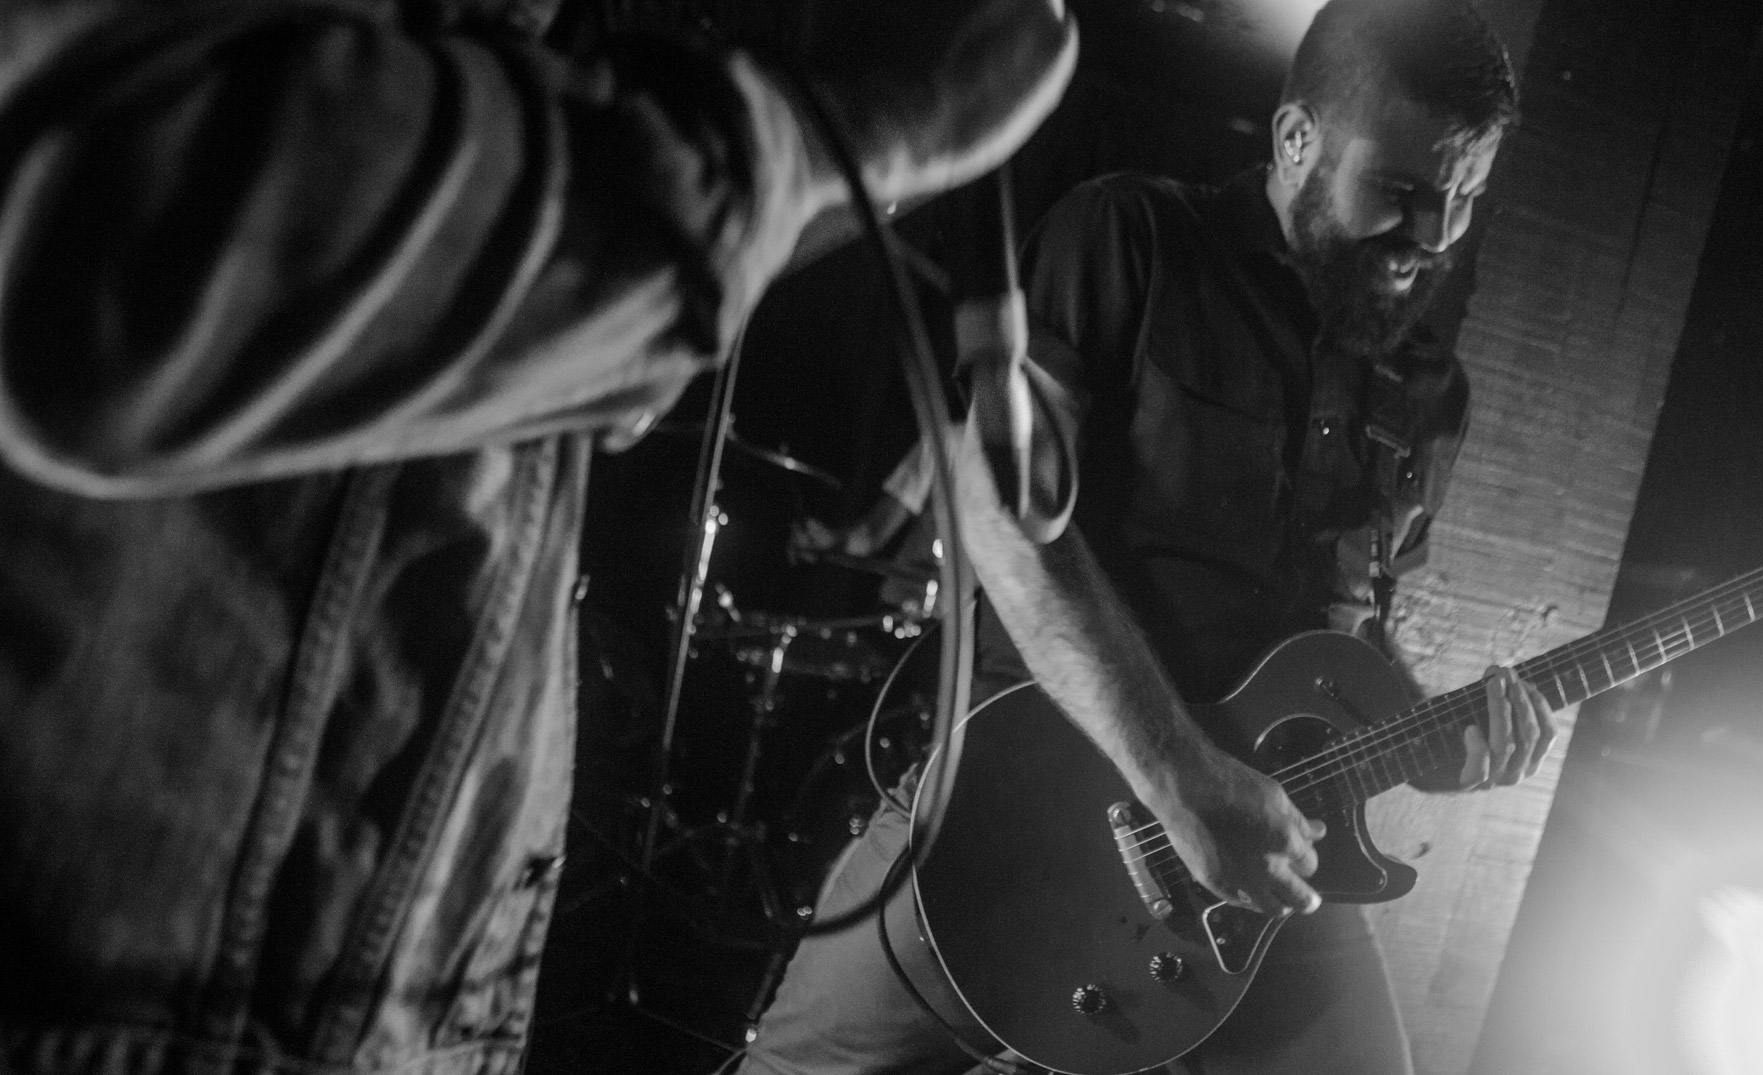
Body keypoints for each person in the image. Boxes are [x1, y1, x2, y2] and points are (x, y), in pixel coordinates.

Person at [0, 1, 1074, 1072]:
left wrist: (847, 151)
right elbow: (109, 243)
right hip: (135, 984)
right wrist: (850, 123)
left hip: (317, 999)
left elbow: (534, 335)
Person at [746, 2, 1555, 1074]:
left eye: (1462, 201)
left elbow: (1347, 636)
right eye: (1402, 192)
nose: (1435, 238)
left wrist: (1433, 740)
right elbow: (1001, 514)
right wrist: (1178, 780)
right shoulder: (1129, 236)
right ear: (1295, 140)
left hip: (1267, 846)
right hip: (1021, 797)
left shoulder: (1425, 394)